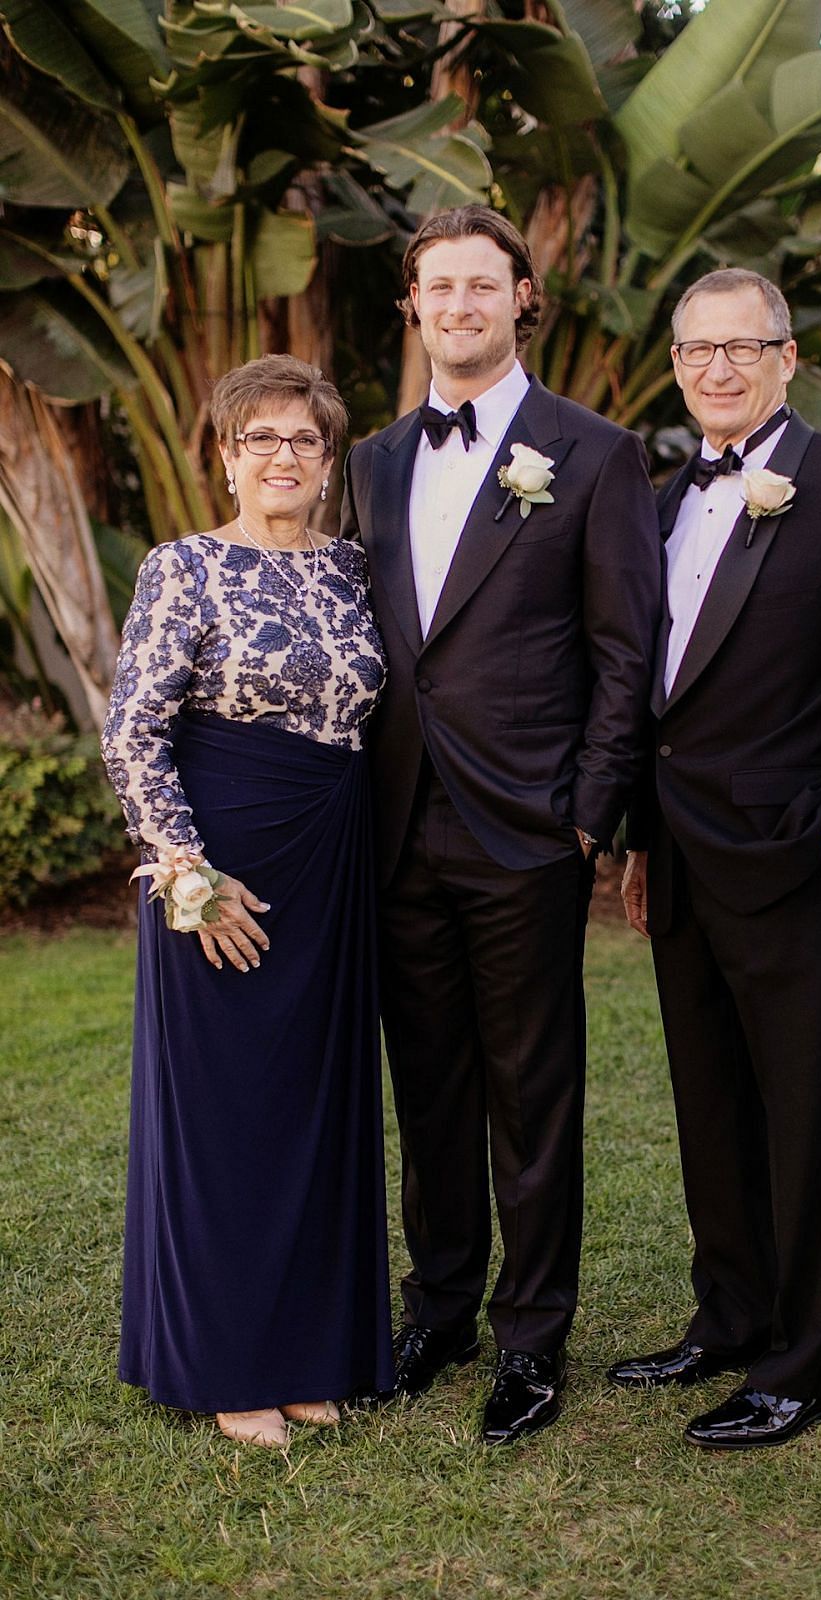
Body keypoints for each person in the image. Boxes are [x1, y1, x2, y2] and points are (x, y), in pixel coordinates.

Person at [340, 205, 661, 1444]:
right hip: (394, 825)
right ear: (413, 305)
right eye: (439, 286)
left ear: (521, 298)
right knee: (427, 1085)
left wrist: (589, 817)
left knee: (532, 1089)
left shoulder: (591, 452)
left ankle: (532, 1337)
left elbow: (623, 652)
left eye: (484, 284)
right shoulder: (370, 461)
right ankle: (440, 1305)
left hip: (527, 830)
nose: (460, 305)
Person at [609, 269, 821, 1450]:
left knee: (805, 1118)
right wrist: (641, 835)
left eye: (739, 348)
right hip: (683, 864)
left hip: (797, 866)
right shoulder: (656, 500)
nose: (715, 369)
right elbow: (662, 694)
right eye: (694, 350)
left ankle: (803, 1365)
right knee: (709, 1106)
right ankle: (729, 1316)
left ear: (785, 357)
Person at [101, 354, 393, 1449]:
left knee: (315, 1112)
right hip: (222, 865)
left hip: (331, 863)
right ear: (227, 457)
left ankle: (311, 1350)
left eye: (303, 441)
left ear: (326, 462)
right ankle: (227, 1364)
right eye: (259, 439)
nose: (282, 457)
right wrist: (187, 871)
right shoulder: (183, 568)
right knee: (227, 1120)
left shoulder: (355, 570)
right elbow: (133, 730)